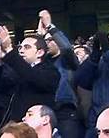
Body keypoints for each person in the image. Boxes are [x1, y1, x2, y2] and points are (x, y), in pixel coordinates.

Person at [0, 26, 60, 122]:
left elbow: (32, 76)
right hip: (15, 123)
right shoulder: (17, 70)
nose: (21, 51)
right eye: (20, 47)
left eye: (27, 47)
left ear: (40, 52)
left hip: (36, 124)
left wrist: (9, 50)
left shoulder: (50, 71)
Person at [38, 10, 84, 138]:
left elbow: (67, 48)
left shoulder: (67, 60)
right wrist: (40, 37)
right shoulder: (44, 62)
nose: (47, 43)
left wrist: (50, 27)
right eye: (45, 41)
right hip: (47, 109)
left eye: (51, 40)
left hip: (66, 110)